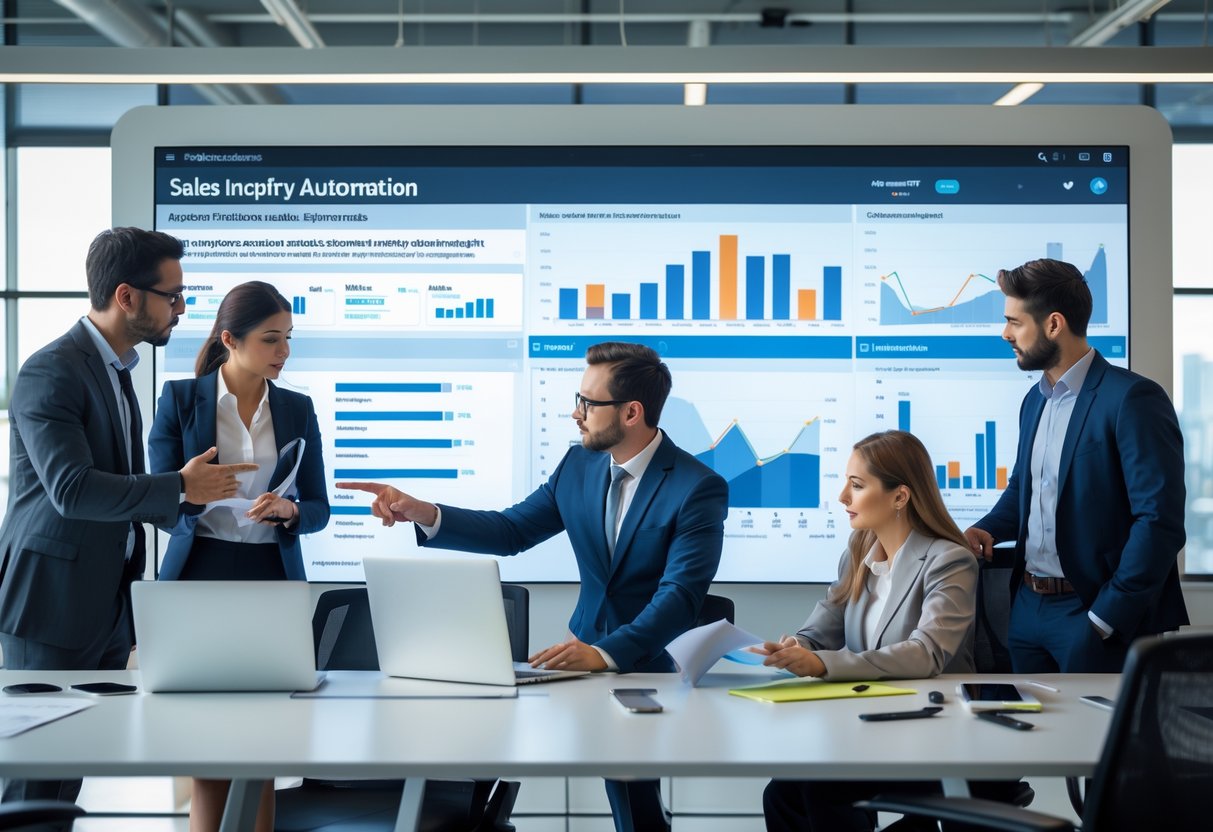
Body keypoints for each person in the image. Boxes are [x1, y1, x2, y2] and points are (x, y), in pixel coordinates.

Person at [338, 341, 728, 832]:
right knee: (602, 783)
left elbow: (680, 596)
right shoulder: (578, 466)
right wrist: (425, 512)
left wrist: (605, 653)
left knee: (634, 797)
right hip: (578, 663)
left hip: (652, 666)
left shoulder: (696, 486)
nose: (576, 413)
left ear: (631, 412)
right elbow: (512, 531)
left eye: (589, 403)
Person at [0, 227, 256, 809]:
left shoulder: (116, 371)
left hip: (105, 605)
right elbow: (71, 490)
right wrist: (178, 488)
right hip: (50, 606)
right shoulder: (53, 371)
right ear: (126, 297)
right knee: (33, 784)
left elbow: (123, 488)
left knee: (67, 779)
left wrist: (197, 498)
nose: (181, 309)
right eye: (172, 296)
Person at [148, 280, 330, 832]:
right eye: (272, 339)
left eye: (288, 338)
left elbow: (321, 508)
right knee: (208, 749)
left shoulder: (298, 409)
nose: (284, 351)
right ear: (230, 339)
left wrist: (291, 512)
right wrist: (189, 491)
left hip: (270, 580)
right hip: (198, 577)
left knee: (262, 748)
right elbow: (156, 503)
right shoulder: (181, 399)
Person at [965, 258, 1187, 674]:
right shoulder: (1035, 401)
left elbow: (1160, 521)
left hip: (1093, 613)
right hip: (1028, 610)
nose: (1005, 334)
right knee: (1027, 737)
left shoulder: (1132, 399)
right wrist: (989, 528)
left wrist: (1105, 618)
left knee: (1096, 739)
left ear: (1053, 325)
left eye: (1015, 322)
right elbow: (1024, 488)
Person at [760, 430, 982, 832]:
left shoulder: (949, 561)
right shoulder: (860, 548)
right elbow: (827, 620)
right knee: (781, 793)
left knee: (822, 788)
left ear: (900, 496)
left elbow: (925, 653)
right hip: (868, 727)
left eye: (857, 485)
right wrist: (800, 645)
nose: (843, 496)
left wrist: (822, 665)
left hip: (930, 733)